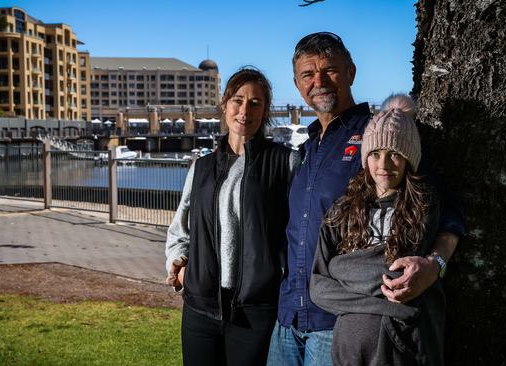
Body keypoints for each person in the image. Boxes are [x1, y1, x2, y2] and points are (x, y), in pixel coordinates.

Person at [267, 32, 464, 366]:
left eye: (330, 70)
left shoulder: (380, 136)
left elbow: (447, 212)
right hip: (289, 317)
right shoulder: (307, 148)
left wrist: (434, 265)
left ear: (351, 73)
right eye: (307, 74)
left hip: (341, 323)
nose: (319, 81)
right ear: (297, 83)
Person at [165, 67, 299, 366]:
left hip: (256, 312)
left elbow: (299, 234)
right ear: (224, 105)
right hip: (200, 309)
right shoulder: (201, 168)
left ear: (265, 111)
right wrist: (180, 265)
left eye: (255, 103)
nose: (244, 110)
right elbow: (180, 230)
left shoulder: (286, 162)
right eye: (238, 100)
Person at [310, 94, 445, 365]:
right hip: (350, 350)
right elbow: (318, 287)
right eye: (375, 154)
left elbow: (394, 275)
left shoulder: (423, 208)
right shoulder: (342, 211)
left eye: (394, 154)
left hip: (405, 347)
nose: (383, 165)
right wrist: (386, 306)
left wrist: (341, 269)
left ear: (409, 159)